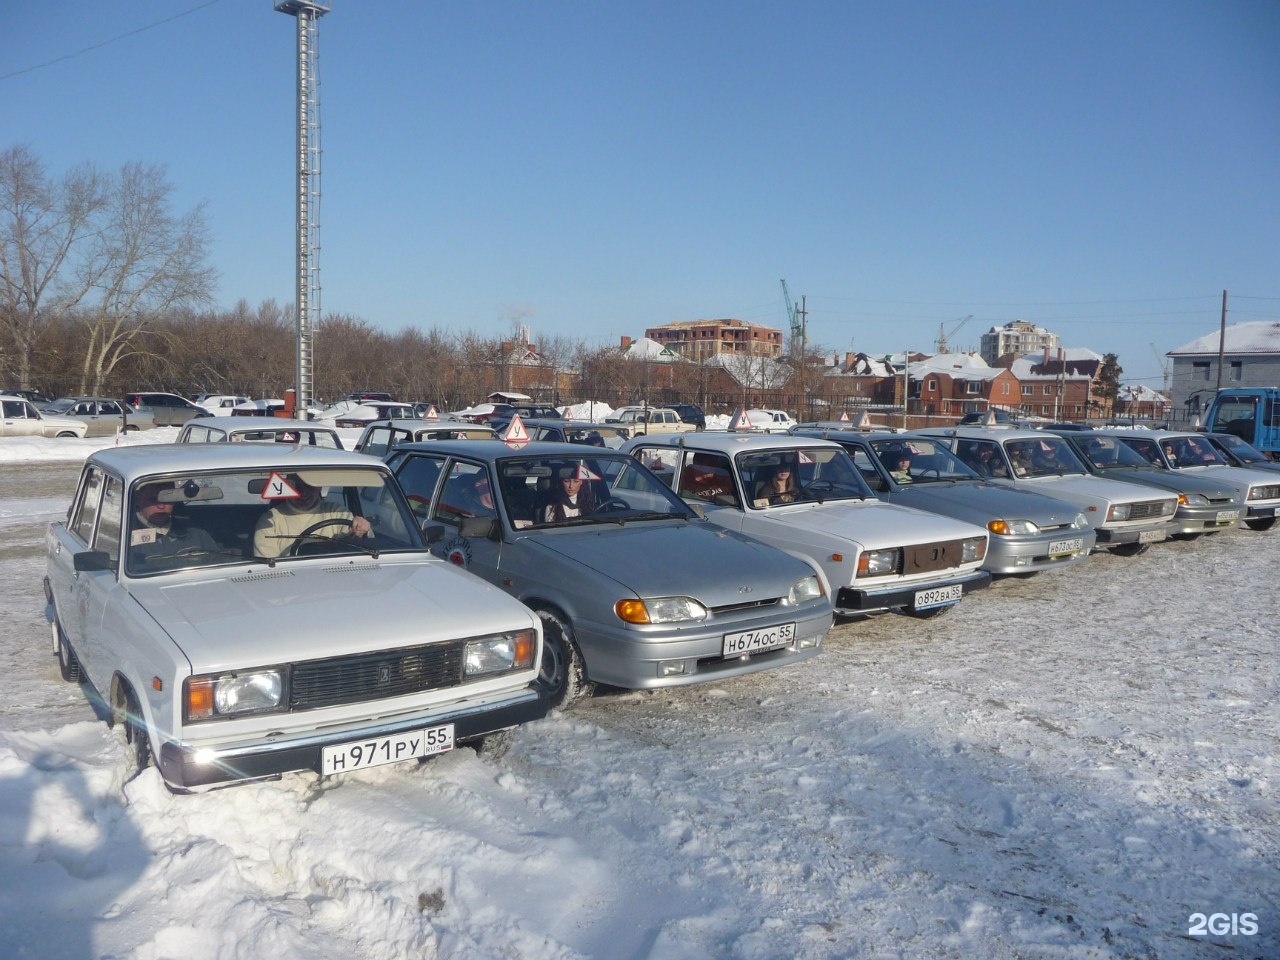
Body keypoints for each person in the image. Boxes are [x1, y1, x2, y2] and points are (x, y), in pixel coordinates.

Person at [253, 474, 372, 558]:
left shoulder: (335, 511)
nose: (303, 492)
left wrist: (361, 527)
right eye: (297, 485)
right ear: (288, 486)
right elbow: (268, 569)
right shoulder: (270, 520)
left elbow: (357, 539)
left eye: (309, 485)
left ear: (319, 487)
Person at [128, 481, 220, 571]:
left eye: (166, 499)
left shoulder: (194, 532)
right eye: (153, 500)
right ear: (138, 499)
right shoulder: (126, 535)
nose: (161, 506)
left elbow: (219, 564)